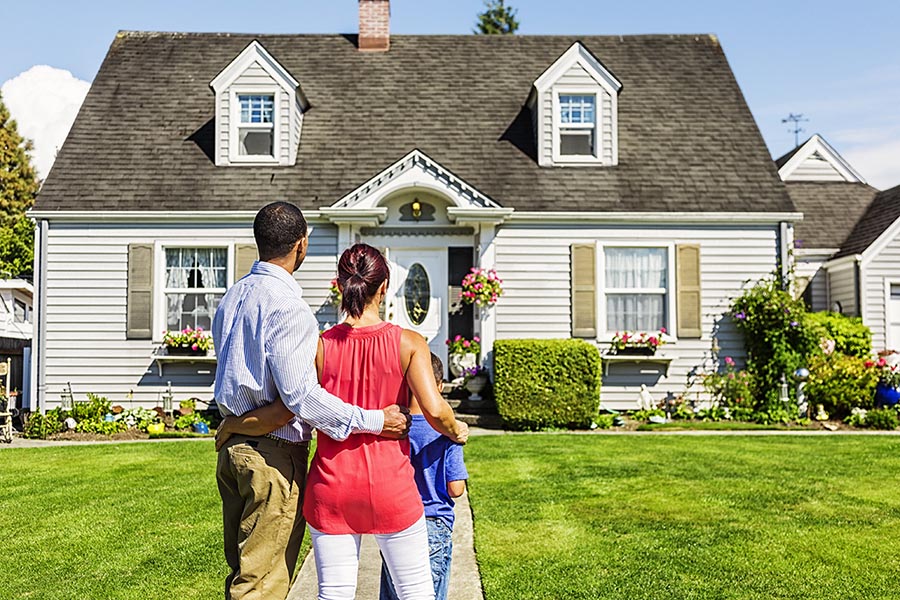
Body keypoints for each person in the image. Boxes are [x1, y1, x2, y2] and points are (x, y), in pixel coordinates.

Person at [217, 243, 468, 600]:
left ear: (340, 285)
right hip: (391, 487)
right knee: (416, 594)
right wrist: (458, 430)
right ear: (384, 288)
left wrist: (238, 422)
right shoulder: (410, 343)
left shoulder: (319, 346)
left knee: (333, 594)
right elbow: (435, 410)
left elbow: (295, 403)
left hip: (332, 488)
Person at [212, 202, 411, 600]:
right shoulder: (289, 307)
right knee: (261, 583)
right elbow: (300, 396)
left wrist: (234, 424)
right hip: (272, 456)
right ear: (301, 245)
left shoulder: (233, 297)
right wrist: (375, 420)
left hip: (233, 450)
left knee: (243, 570)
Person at [379, 353, 468, 600]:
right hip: (433, 523)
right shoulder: (449, 431)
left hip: (395, 523)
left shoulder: (393, 428)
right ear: (438, 386)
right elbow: (456, 488)